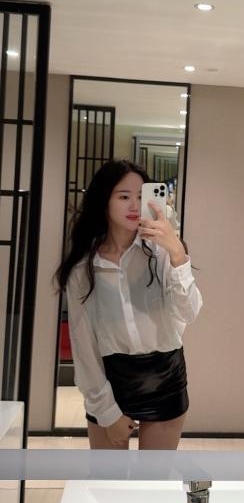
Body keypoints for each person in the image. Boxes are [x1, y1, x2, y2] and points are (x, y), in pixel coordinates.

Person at [55, 159, 202, 450]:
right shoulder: (85, 268)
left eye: (140, 196)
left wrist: (176, 251)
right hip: (109, 381)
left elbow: (189, 312)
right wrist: (107, 411)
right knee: (108, 476)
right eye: (124, 197)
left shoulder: (161, 253)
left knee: (153, 476)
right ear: (104, 201)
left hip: (165, 376)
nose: (134, 205)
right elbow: (83, 345)